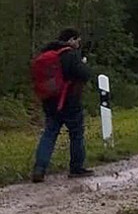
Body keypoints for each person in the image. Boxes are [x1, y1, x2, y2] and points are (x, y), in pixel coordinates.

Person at [31, 28, 95, 182]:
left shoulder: (46, 54)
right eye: (78, 41)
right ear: (71, 40)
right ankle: (76, 168)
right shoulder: (70, 55)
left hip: (50, 102)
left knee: (49, 134)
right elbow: (84, 74)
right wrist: (83, 63)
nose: (78, 44)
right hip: (70, 102)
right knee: (76, 134)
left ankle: (39, 169)